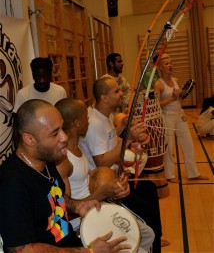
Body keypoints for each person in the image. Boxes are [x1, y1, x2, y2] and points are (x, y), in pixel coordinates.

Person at [0, 99, 131, 253]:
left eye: (62, 128)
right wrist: (88, 251)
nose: (64, 137)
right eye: (55, 133)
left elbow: (54, 198)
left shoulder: (47, 160)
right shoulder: (11, 183)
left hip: (70, 242)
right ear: (29, 139)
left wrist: (77, 205)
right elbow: (22, 250)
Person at [55, 98, 155, 253]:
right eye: (85, 118)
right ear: (76, 123)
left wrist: (115, 180)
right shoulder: (63, 160)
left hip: (97, 206)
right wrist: (102, 193)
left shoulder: (78, 146)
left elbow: (88, 178)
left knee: (148, 235)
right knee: (141, 244)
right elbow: (66, 209)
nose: (89, 120)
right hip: (83, 221)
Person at [79, 76, 166, 252]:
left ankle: (157, 239)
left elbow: (110, 140)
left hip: (117, 177)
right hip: (107, 187)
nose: (121, 93)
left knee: (149, 189)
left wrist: (121, 129)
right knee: (147, 212)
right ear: (104, 97)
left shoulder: (106, 115)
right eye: (116, 91)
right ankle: (153, 241)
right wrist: (129, 139)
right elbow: (101, 161)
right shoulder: (94, 123)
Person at [154, 53, 208, 182]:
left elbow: (178, 100)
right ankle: (170, 175)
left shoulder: (176, 80)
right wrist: (172, 98)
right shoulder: (158, 84)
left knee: (188, 144)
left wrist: (178, 97)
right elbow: (157, 105)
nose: (170, 65)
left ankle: (193, 173)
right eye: (166, 64)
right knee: (169, 147)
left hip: (180, 115)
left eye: (171, 63)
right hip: (167, 117)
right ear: (160, 68)